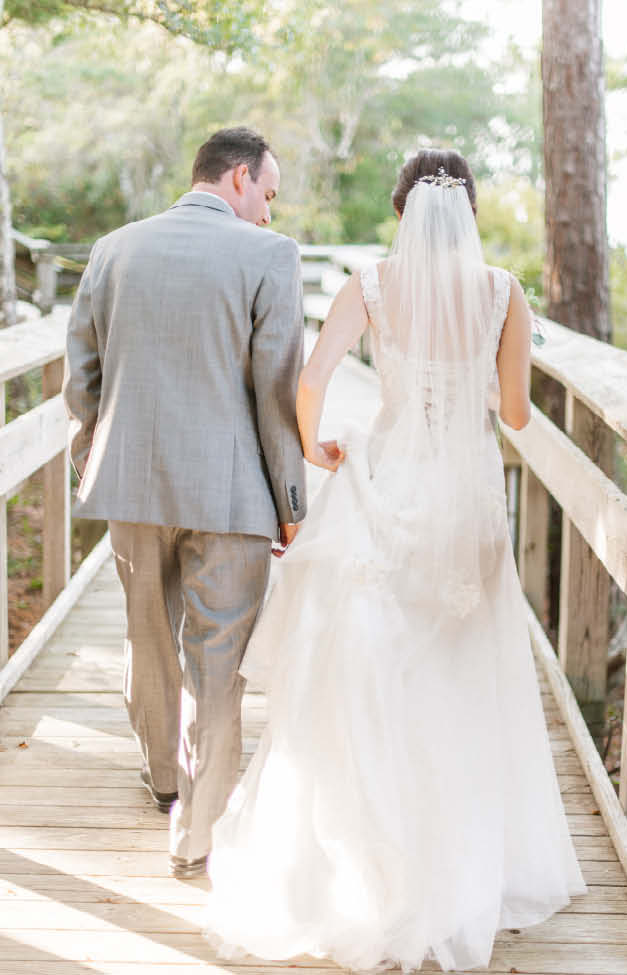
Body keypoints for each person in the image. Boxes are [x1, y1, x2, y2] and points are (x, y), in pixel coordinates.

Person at [200, 148, 586, 973]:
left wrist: (318, 448)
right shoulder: (503, 293)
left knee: (371, 667)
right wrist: (480, 375)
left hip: (389, 478)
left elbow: (311, 381)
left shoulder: (372, 286)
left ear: (403, 209)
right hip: (467, 498)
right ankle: (461, 861)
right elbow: (515, 414)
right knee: (459, 670)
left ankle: (370, 862)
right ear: (469, 212)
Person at [62, 126, 307, 880]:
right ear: (238, 178)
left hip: (131, 484)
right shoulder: (270, 256)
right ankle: (197, 828)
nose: (269, 211)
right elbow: (276, 392)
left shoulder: (114, 249)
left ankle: (163, 779)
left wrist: (92, 458)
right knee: (217, 660)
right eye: (267, 193)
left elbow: (83, 375)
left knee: (148, 639)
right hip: (231, 491)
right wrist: (290, 501)